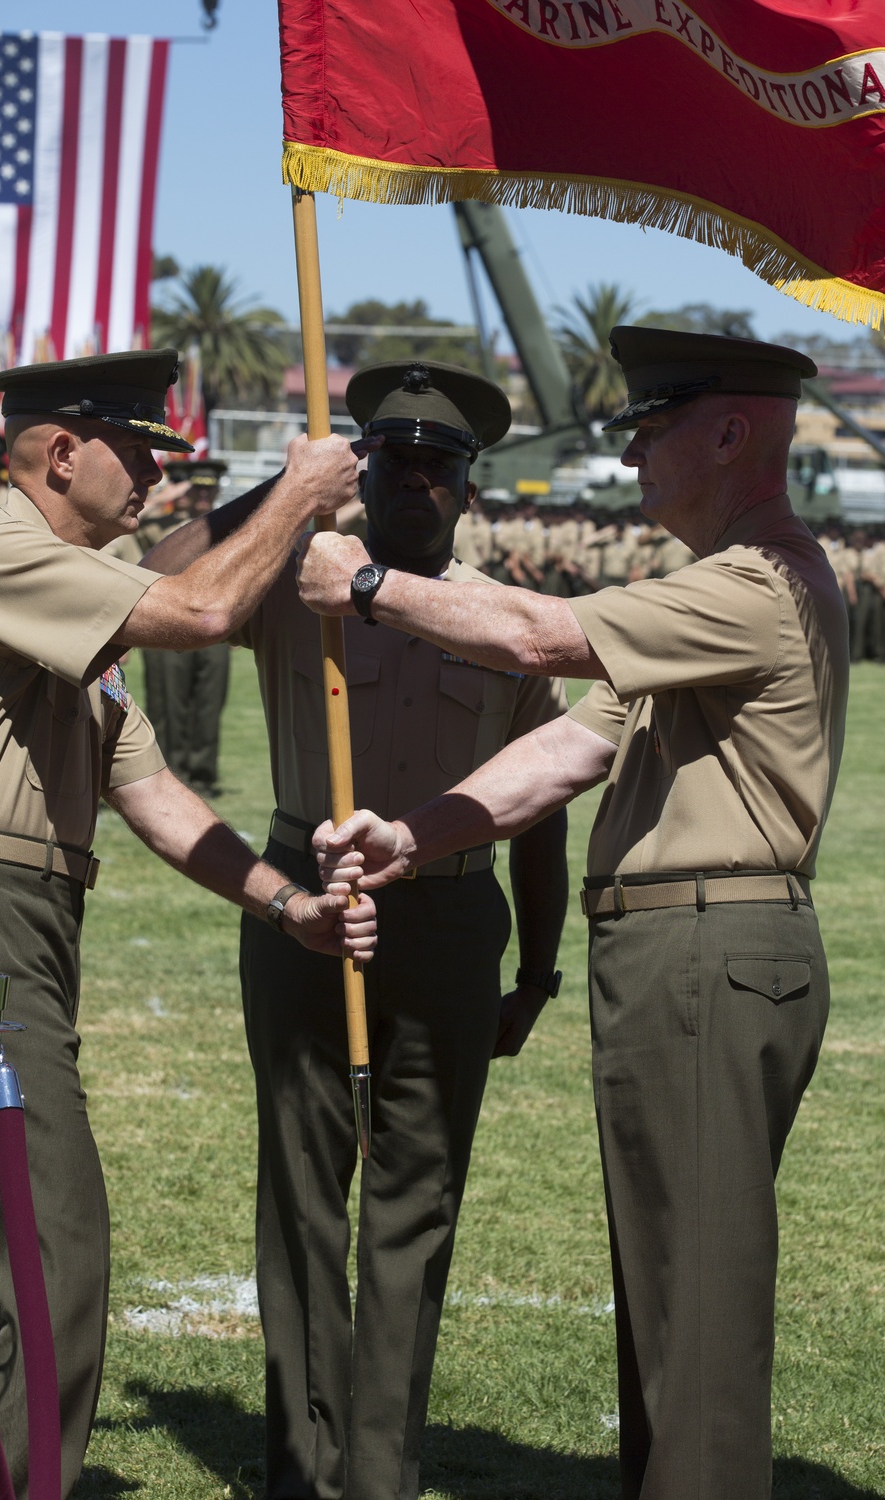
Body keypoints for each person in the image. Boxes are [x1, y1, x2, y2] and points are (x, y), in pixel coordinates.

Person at [298, 328, 849, 1500]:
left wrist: (364, 584)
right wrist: (412, 836)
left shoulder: (757, 582)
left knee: (692, 1306)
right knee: (663, 1287)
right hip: (678, 955)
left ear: (730, 433)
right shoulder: (719, 594)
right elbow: (560, 750)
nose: (639, 457)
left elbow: (537, 638)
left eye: (652, 433)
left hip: (709, 949)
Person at [0, 348, 376, 1499]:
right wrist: (297, 495)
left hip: (15, 919)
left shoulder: (59, 591)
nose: (157, 476)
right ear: (62, 453)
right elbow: (206, 609)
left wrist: (288, 903)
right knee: (46, 1250)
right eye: (141, 451)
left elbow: (152, 796)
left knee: (11, 1252)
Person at [231, 360, 570, 1500]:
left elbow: (540, 809)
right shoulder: (288, 584)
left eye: (439, 464)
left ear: (469, 489)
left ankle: (379, 1470)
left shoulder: (496, 621)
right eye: (392, 458)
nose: (414, 478)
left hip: (451, 914)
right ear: (360, 470)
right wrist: (280, 499)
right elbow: (157, 585)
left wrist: (540, 966)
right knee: (301, 1185)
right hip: (303, 898)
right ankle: (304, 1465)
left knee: (417, 1197)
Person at [142, 458, 232, 798]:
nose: (205, 496)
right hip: (169, 624)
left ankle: (203, 774)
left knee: (209, 703)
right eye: (199, 488)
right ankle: (171, 772)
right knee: (169, 700)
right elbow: (138, 519)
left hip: (214, 627)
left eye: (210, 489)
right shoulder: (164, 525)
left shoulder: (227, 527)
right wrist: (169, 494)